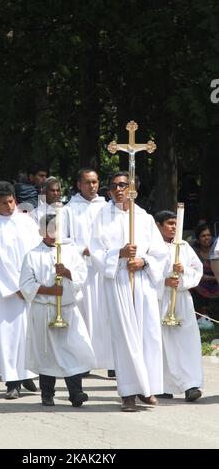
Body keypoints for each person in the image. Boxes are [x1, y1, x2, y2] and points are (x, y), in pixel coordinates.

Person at [90, 171, 167, 411]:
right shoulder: (102, 217)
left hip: (142, 280)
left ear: (133, 188)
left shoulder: (143, 218)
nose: (119, 189)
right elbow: (95, 251)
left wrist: (143, 262)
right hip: (119, 280)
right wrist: (118, 255)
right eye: (114, 186)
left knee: (148, 334)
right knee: (125, 336)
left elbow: (160, 253)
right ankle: (128, 393)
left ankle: (148, 388)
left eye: (123, 185)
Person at [20, 214, 96, 407]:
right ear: (41, 231)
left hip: (68, 309)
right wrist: (49, 290)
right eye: (49, 228)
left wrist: (67, 273)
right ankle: (47, 394)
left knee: (72, 351)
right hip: (44, 309)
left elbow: (81, 275)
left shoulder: (70, 252)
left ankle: (76, 393)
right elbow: (26, 284)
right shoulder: (32, 255)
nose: (53, 233)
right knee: (47, 353)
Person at [0, 182, 40, 399]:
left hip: (31, 287)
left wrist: (35, 281)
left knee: (29, 333)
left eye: (12, 200)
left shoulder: (26, 222)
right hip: (9, 292)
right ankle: (12, 381)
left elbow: (37, 251)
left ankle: (28, 374)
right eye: (4, 203)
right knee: (9, 335)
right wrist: (15, 287)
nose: (10, 205)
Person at [63, 168, 113, 373]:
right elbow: (63, 239)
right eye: (87, 182)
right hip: (82, 268)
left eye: (95, 182)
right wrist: (81, 249)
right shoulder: (68, 209)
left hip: (105, 268)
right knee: (83, 315)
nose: (92, 186)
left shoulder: (108, 207)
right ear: (78, 185)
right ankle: (84, 361)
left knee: (108, 314)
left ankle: (112, 362)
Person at [155, 210, 203, 401]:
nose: (174, 227)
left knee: (186, 342)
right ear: (158, 226)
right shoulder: (152, 247)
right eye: (169, 223)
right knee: (163, 343)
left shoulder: (183, 246)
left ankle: (190, 385)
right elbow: (146, 269)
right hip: (161, 299)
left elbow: (197, 269)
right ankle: (163, 384)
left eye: (175, 223)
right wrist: (164, 280)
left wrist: (183, 272)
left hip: (182, 299)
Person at [191, 224, 219, 318]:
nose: (207, 238)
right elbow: (196, 273)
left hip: (216, 285)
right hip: (200, 284)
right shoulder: (193, 252)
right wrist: (215, 277)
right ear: (198, 239)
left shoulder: (216, 251)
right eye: (203, 236)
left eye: (209, 235)